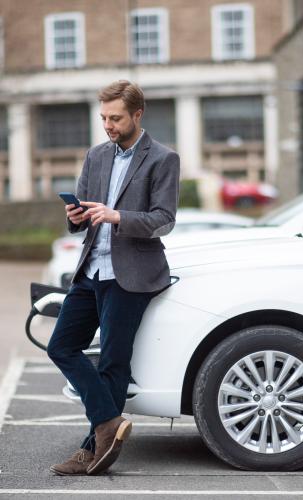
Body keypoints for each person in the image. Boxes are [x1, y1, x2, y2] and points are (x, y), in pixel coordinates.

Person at [47, 80, 180, 476]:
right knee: (62, 347)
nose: (108, 124)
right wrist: (75, 218)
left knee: (113, 362)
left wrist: (118, 216)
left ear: (137, 115)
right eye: (104, 117)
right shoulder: (96, 156)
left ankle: (92, 452)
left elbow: (164, 220)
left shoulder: (162, 159)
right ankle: (109, 422)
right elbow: (84, 216)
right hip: (91, 270)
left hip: (132, 274)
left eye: (116, 118)